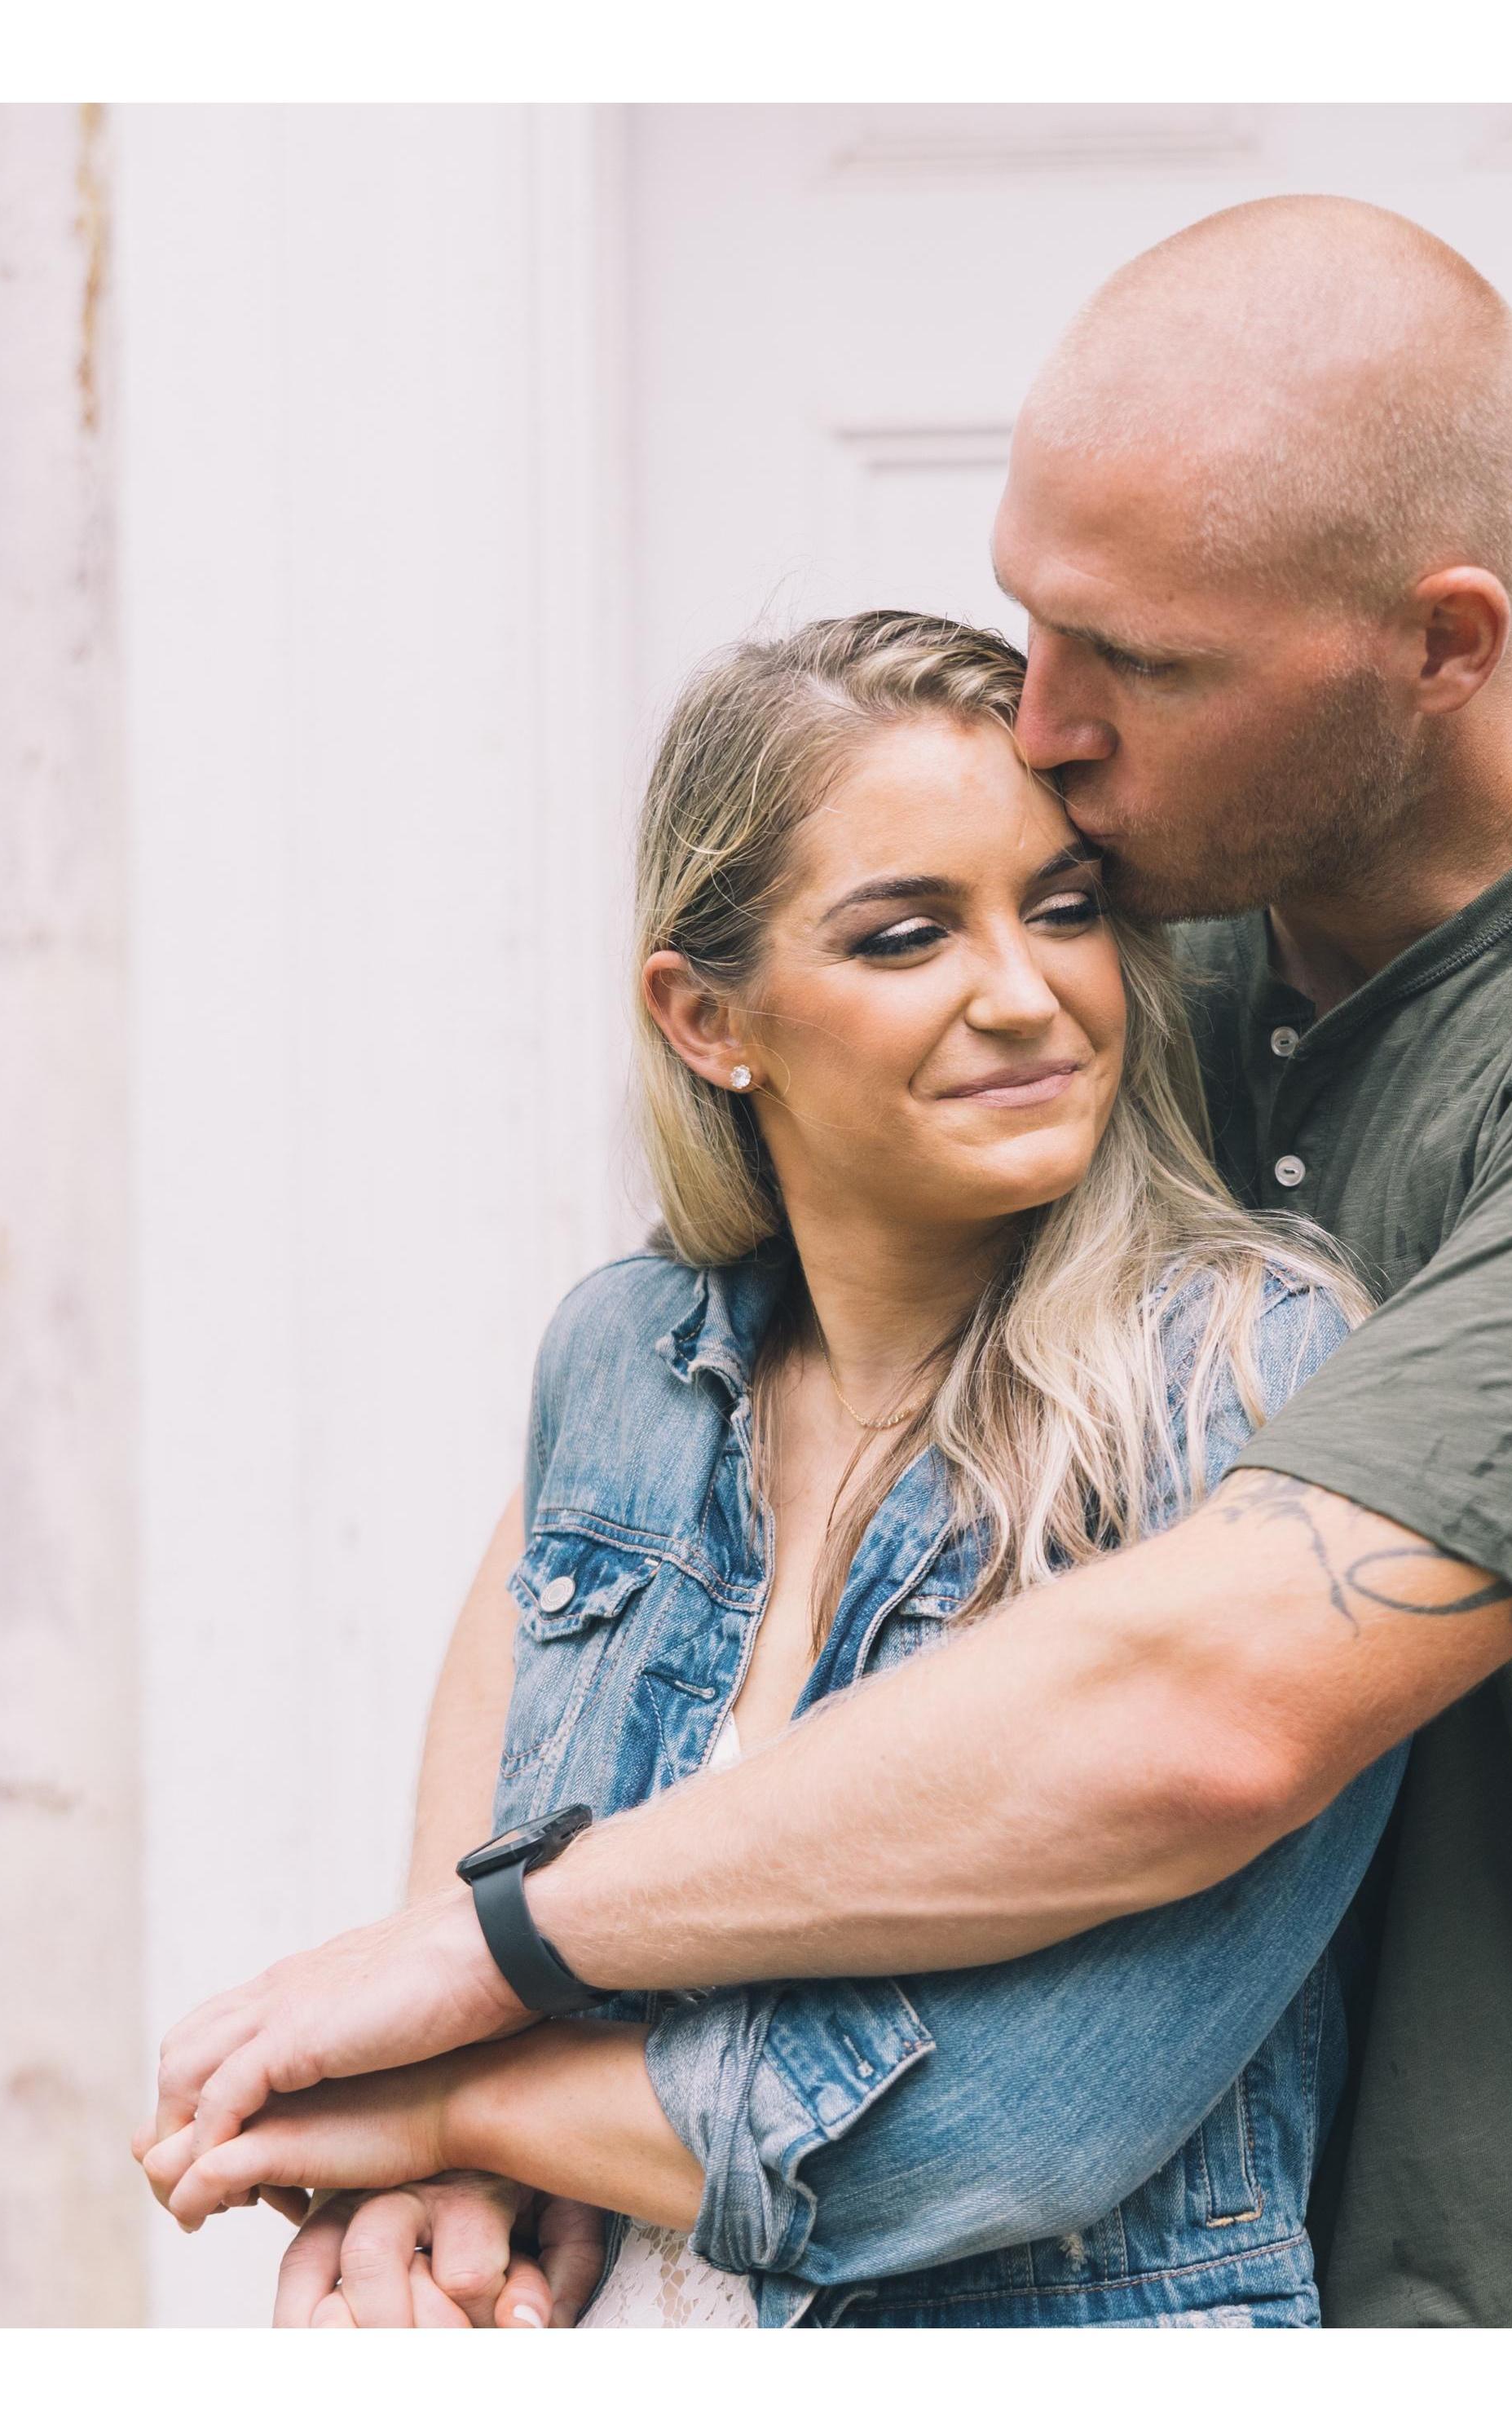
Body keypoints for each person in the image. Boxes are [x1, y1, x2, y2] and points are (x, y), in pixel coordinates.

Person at [139, 192, 1512, 2328]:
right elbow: (659, 1413)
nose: (1050, 724)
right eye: (1042, 622)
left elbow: (1213, 1704)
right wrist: (455, 2098)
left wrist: (498, 1978)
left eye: (1149, 665)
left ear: (1441, 644)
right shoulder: (1118, 944)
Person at [148, 608, 1408, 2323]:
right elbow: (474, 1915)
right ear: (704, 1015)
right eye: (905, 936)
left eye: (1062, 908)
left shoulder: (1228, 1377)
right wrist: (428, 2203)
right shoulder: (630, 1366)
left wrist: (440, 2105)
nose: (1025, 993)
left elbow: (1011, 2126)